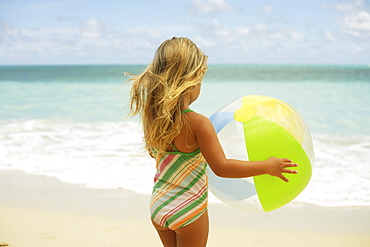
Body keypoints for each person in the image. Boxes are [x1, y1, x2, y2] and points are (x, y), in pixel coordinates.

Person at [127, 37, 298, 247]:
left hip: (159, 204)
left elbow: (157, 154)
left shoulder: (153, 119)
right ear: (191, 80)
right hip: (187, 208)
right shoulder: (198, 123)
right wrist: (267, 166)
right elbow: (222, 167)